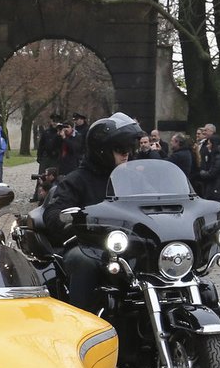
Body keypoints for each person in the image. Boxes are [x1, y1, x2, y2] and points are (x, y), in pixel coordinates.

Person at [43, 112, 144, 310]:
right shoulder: (77, 180)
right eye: (121, 148)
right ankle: (82, 324)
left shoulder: (134, 179)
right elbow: (54, 213)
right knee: (83, 262)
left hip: (130, 245)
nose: (127, 153)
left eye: (130, 148)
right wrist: (74, 220)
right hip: (91, 246)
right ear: (102, 150)